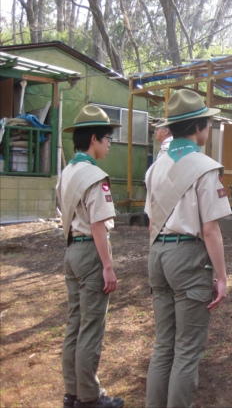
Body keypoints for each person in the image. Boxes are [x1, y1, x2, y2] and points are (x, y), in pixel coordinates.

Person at [144, 89, 230, 408]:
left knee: (164, 344)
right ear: (197, 127)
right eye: (207, 122)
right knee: (187, 349)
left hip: (159, 253)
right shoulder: (205, 167)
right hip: (188, 257)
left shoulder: (155, 168)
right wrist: (221, 276)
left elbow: (152, 221)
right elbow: (210, 229)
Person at [57, 105, 124, 408]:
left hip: (71, 250)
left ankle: (72, 392)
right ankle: (89, 396)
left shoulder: (67, 172)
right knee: (91, 326)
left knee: (74, 323)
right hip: (90, 251)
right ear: (94, 138)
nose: (110, 143)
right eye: (108, 137)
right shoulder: (95, 175)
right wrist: (108, 266)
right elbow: (98, 224)